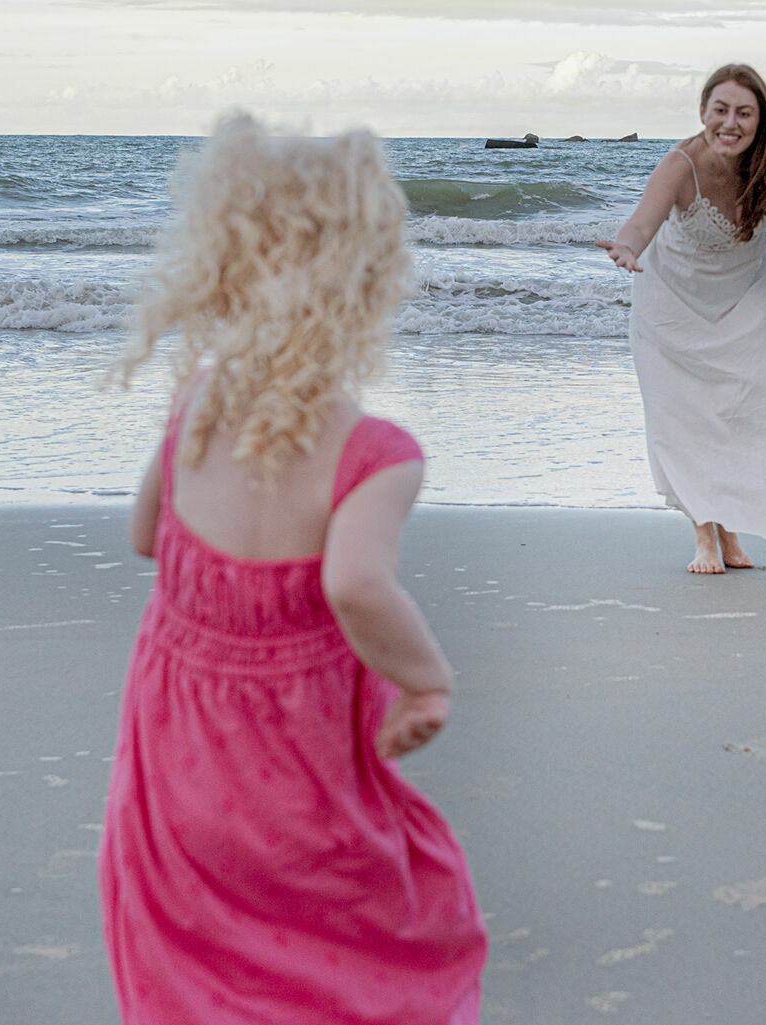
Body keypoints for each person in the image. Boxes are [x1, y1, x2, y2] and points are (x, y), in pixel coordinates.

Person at [99, 115, 487, 1024]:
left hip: (179, 745)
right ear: (369, 277)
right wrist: (427, 683)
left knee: (197, 955)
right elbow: (355, 585)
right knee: (352, 928)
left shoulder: (194, 401)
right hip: (296, 756)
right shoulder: (374, 452)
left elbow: (147, 535)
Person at [596, 64, 766, 573]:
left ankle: (730, 531)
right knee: (686, 419)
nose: (730, 123)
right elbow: (644, 218)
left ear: (761, 117)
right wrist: (626, 245)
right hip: (673, 302)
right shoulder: (680, 164)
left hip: (746, 298)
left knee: (741, 416)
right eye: (720, 110)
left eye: (743, 113)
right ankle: (705, 534)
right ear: (703, 111)